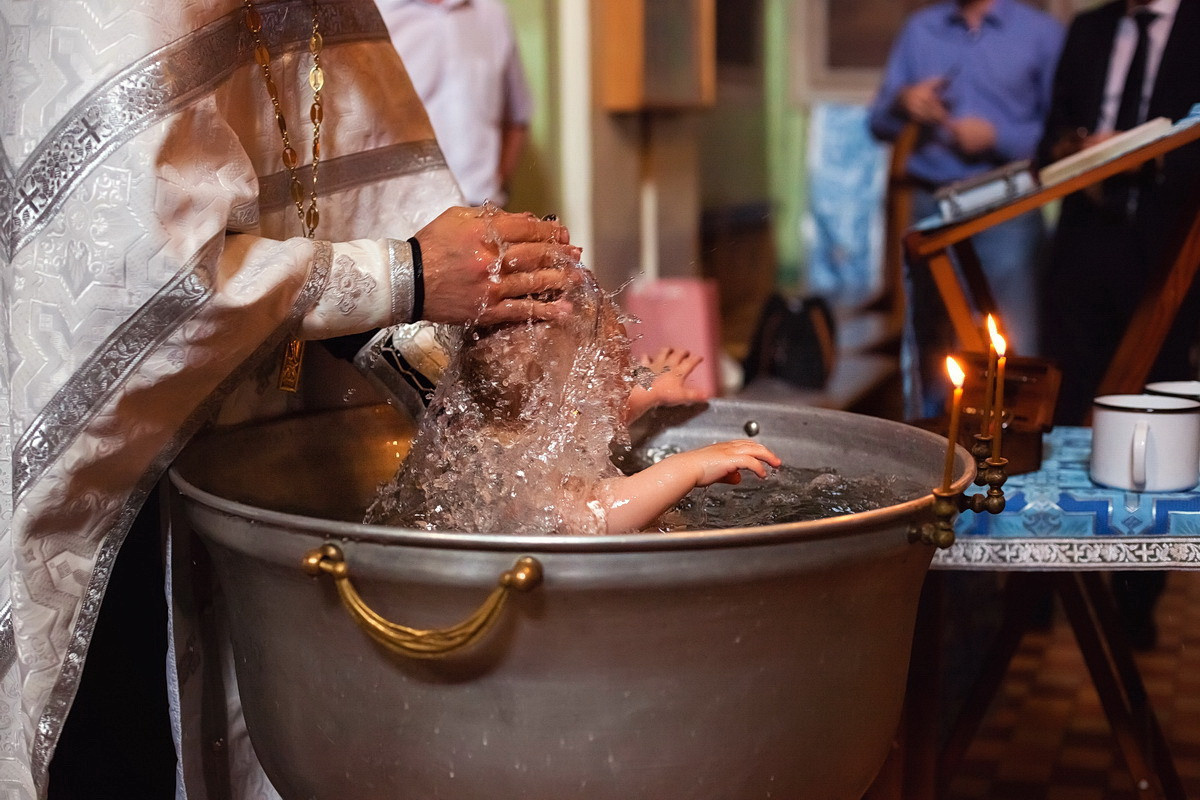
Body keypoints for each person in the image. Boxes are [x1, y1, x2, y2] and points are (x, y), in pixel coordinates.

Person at [0, 1, 583, 797]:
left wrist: (501, 368)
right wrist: (408, 274)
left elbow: (369, 200)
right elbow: (132, 285)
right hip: (103, 481)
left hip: (241, 455)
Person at [368, 266, 780, 536]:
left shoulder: (512, 426)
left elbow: (590, 419)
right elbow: (601, 514)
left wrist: (650, 392)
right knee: (668, 525)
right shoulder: (515, 481)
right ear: (568, 401)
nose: (627, 382)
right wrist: (688, 467)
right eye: (614, 375)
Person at [1037, 0, 1200, 650]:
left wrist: (1147, 158)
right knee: (1063, 408)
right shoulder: (1089, 30)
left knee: (1153, 425)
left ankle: (1136, 599)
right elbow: (1046, 140)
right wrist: (1078, 151)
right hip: (1082, 242)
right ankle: (1048, 584)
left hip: (1165, 250)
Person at [868, 0, 1064, 418]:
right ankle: (931, 446)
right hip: (932, 202)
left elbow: (1061, 132)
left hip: (1008, 204)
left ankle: (1012, 449)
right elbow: (877, 123)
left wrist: (998, 136)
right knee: (929, 337)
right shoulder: (921, 29)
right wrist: (904, 101)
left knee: (1015, 336)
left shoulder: (1042, 33)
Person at [375, 0, 532, 207]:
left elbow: (517, 117)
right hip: (404, 215)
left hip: (483, 210)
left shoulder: (491, 14)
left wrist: (497, 185)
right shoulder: (373, 15)